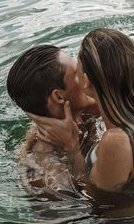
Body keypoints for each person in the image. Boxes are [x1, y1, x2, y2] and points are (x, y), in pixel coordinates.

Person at [29, 29, 134, 193]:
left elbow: (94, 197)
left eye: (77, 72)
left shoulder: (115, 140)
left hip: (127, 218)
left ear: (86, 82)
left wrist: (72, 148)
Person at [6, 45, 100, 196]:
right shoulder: (46, 176)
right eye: (77, 73)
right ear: (59, 97)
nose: (86, 75)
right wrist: (74, 151)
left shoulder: (80, 112)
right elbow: (97, 205)